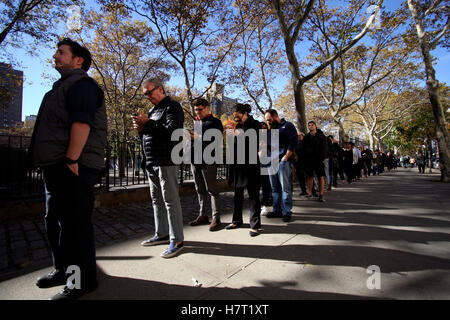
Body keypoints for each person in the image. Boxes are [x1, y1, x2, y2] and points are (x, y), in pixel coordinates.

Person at [28, 38, 107, 300]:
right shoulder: (61, 87)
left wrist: (72, 159)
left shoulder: (82, 84)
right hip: (57, 166)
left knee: (74, 227)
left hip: (74, 166)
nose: (55, 56)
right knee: (55, 222)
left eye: (61, 52)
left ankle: (80, 282)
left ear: (78, 60)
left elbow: (82, 123)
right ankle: (62, 270)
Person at [133, 78, 185, 258]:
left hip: (167, 160)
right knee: (157, 200)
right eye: (144, 94)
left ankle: (177, 240)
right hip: (151, 162)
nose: (147, 96)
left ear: (160, 89)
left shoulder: (173, 107)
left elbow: (173, 132)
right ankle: (162, 233)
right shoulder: (152, 110)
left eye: (149, 92)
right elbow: (151, 134)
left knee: (170, 200)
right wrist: (141, 128)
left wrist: (148, 123)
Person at [225, 103, 262, 237]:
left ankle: (255, 225)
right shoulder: (237, 126)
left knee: (253, 195)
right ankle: (236, 221)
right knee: (237, 194)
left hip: (251, 164)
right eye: (235, 117)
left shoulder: (256, 124)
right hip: (238, 165)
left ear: (245, 113)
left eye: (238, 116)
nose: (236, 119)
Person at [187, 98, 224, 231]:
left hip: (209, 161)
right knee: (200, 190)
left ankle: (216, 218)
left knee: (212, 190)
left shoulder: (215, 122)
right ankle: (203, 215)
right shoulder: (197, 122)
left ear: (207, 108)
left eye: (200, 109)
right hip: (195, 160)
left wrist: (196, 137)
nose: (198, 112)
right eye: (196, 109)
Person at [264, 109, 298, 222]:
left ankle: (287, 211)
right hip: (271, 163)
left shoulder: (287, 125)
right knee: (274, 188)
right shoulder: (270, 131)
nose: (268, 122)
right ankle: (277, 210)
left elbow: (293, 142)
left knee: (285, 188)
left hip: (283, 161)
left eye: (269, 119)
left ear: (275, 116)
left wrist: (286, 157)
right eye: (266, 120)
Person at [303, 121, 328, 202]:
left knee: (321, 177)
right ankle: (310, 193)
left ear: (315, 126)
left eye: (312, 125)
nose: (310, 127)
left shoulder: (321, 136)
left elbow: (325, 148)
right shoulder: (306, 137)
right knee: (309, 177)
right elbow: (303, 147)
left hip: (319, 160)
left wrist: (322, 158)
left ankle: (321, 194)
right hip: (309, 160)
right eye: (309, 125)